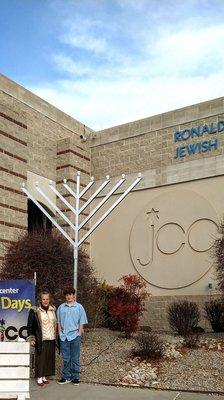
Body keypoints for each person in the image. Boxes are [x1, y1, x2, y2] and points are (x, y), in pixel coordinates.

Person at [57, 287, 88, 385]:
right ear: (65, 296)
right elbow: (58, 321)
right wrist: (59, 332)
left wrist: (79, 333)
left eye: (70, 294)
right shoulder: (61, 307)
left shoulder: (79, 307)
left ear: (73, 295)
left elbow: (81, 321)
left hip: (75, 336)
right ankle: (66, 377)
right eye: (67, 295)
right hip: (64, 336)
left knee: (75, 357)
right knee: (66, 358)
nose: (69, 296)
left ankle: (75, 377)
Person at [27, 290, 57, 387]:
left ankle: (44, 376)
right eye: (43, 299)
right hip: (41, 339)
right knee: (40, 358)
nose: (45, 301)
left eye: (47, 299)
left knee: (48, 358)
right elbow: (30, 325)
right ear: (40, 300)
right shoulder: (34, 311)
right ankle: (39, 377)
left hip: (51, 338)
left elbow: (54, 323)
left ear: (49, 299)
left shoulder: (53, 310)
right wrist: (31, 338)